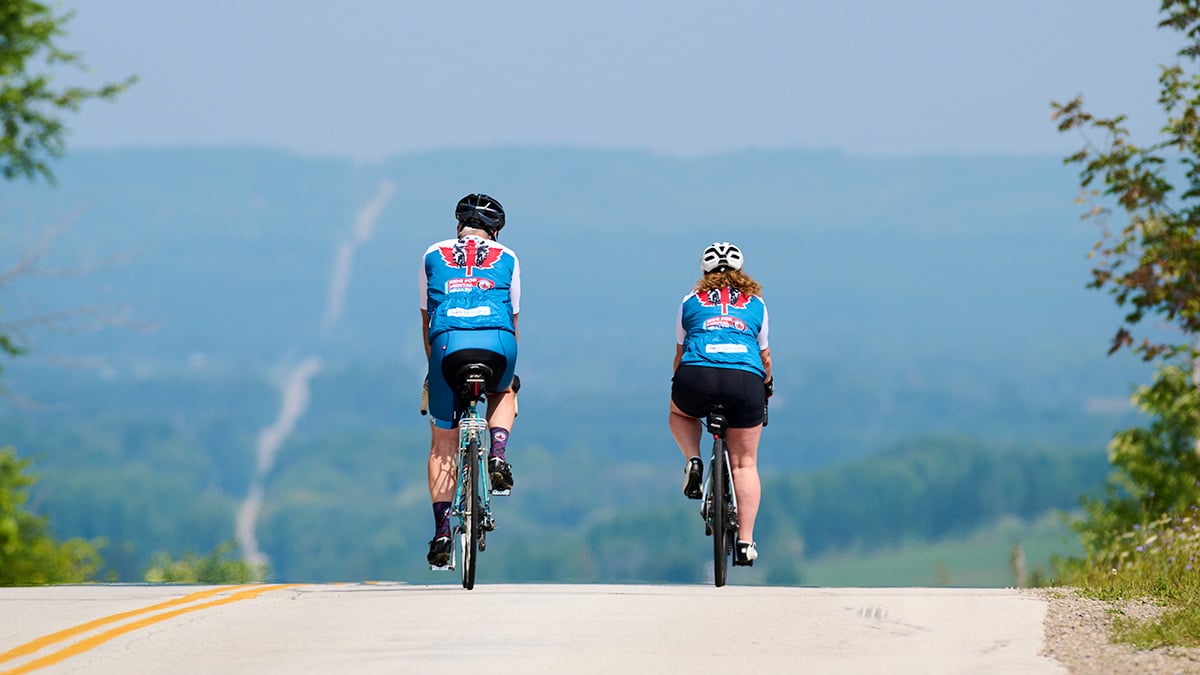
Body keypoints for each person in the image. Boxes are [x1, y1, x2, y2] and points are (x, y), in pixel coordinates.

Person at [419, 193, 520, 567]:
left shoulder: (432, 254)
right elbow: (513, 320)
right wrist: (509, 366)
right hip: (498, 343)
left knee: (443, 443)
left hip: (448, 346)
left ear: (458, 225)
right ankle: (497, 451)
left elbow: (426, 319)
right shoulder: (508, 257)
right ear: (496, 230)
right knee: (505, 390)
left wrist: (435, 370)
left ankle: (443, 531)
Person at [669, 242, 773, 566]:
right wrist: (766, 387)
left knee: (679, 414)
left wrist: (681, 385)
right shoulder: (757, 304)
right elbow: (765, 358)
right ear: (742, 273)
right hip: (744, 380)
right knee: (745, 464)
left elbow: (679, 354)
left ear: (704, 273)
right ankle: (745, 542)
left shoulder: (689, 302)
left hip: (697, 375)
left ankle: (694, 459)